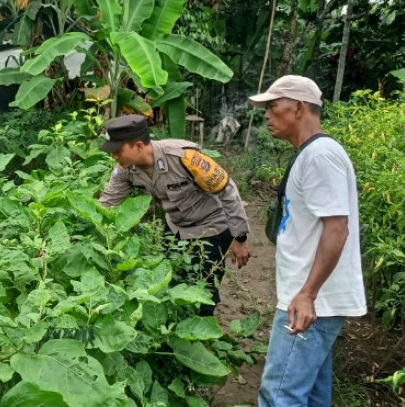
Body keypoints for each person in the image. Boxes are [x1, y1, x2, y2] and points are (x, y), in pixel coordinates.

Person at [249, 75, 366, 406]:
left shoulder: (320, 156)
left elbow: (337, 228)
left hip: (310, 302)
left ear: (298, 108)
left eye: (273, 107)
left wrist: (307, 294)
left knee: (280, 395)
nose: (267, 116)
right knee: (312, 395)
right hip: (312, 301)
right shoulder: (312, 153)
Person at [98, 114, 250, 316]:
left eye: (118, 150)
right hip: (176, 228)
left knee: (203, 291)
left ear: (139, 146)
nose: (114, 156)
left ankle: (201, 337)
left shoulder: (184, 157)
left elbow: (227, 191)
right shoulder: (126, 169)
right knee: (171, 283)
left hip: (211, 227)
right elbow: (106, 203)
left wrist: (239, 238)